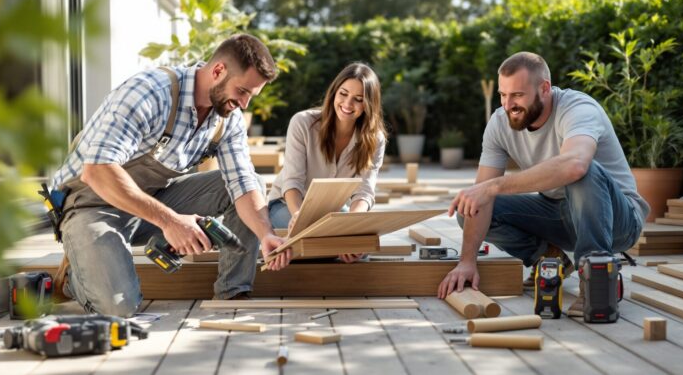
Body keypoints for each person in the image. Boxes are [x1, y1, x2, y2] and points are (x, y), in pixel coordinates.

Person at [50, 34, 292, 317]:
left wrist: (266, 234)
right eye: (242, 92)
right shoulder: (149, 93)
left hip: (151, 200)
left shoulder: (226, 119)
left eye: (251, 95)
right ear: (218, 71)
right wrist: (170, 221)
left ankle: (232, 293)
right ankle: (74, 277)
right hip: (90, 205)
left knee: (247, 183)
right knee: (119, 308)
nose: (245, 103)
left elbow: (241, 182)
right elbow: (98, 171)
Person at [437, 52, 649, 316]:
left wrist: (495, 186)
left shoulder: (578, 108)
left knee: (580, 171)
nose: (507, 105)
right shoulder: (499, 123)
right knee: (469, 207)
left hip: (618, 220)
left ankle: (595, 279)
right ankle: (550, 258)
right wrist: (467, 261)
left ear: (544, 88)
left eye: (517, 95)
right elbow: (481, 197)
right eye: (502, 95)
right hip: (560, 214)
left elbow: (575, 165)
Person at [267, 63, 387, 263]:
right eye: (343, 94)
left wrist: (352, 226)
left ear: (369, 105)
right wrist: (298, 215)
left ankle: (328, 248)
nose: (348, 104)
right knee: (310, 239)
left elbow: (364, 192)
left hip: (331, 211)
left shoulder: (375, 139)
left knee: (362, 245)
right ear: (334, 92)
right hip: (287, 206)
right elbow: (292, 182)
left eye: (358, 100)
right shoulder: (303, 123)